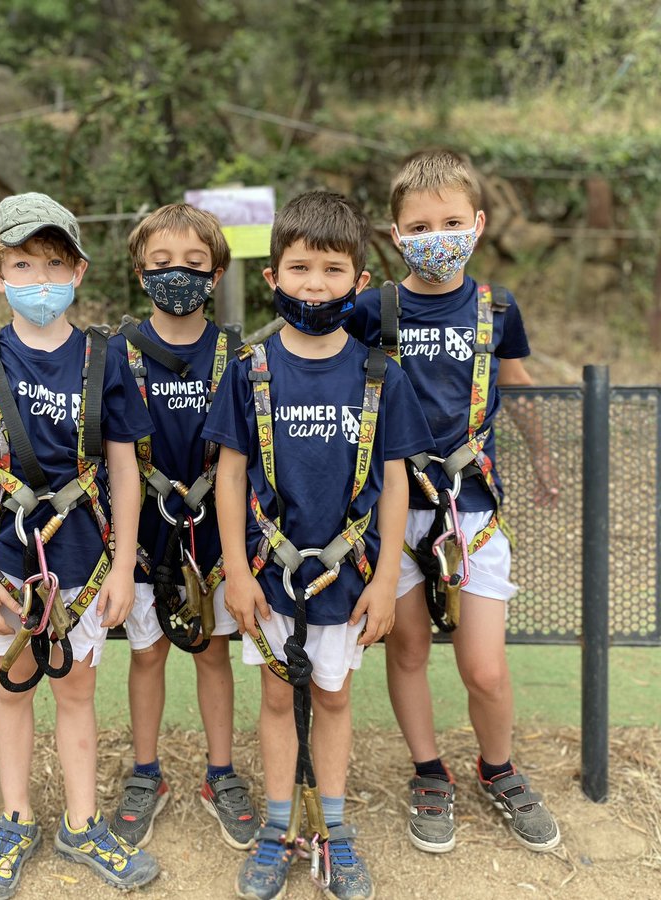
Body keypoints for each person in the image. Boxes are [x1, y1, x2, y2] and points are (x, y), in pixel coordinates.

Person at [204, 190, 433, 900]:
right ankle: (278, 828)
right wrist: (236, 575)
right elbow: (229, 476)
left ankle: (332, 830)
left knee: (333, 700)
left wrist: (386, 575)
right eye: (300, 268)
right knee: (277, 699)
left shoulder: (379, 374)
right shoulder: (250, 368)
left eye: (333, 270)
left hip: (352, 572)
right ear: (273, 276)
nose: (315, 285)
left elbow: (394, 483)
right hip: (269, 574)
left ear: (360, 283)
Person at [0, 192, 160, 899]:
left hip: (84, 561)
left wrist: (123, 566)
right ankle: (15, 816)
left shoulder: (103, 359)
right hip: (7, 565)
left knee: (77, 689)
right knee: (13, 688)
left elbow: (125, 467)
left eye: (53, 264)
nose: (39, 280)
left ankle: (84, 822)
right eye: (23, 264)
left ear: (79, 271)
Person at [345, 148, 562, 854]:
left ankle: (497, 767)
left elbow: (519, 383)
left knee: (485, 666)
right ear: (397, 234)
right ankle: (428, 769)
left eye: (450, 221)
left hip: (470, 508)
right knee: (406, 648)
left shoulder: (497, 307)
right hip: (392, 505)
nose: (437, 235)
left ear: (478, 223)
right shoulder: (371, 309)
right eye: (420, 224)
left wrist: (541, 455)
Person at [107, 203, 257, 852]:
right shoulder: (116, 353)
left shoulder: (237, 352)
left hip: (216, 534)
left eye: (194, 264)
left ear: (217, 273)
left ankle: (219, 772)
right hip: (144, 534)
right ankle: (146, 772)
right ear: (140, 273)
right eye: (162, 264)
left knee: (213, 651)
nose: (178, 275)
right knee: (148, 652)